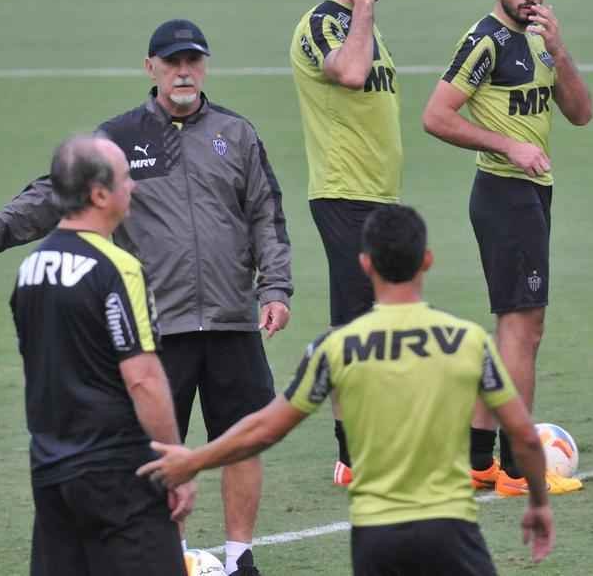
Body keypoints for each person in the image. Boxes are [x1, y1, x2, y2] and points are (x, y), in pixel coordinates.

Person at [0, 20, 292, 576]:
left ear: (205, 67)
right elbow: (52, 193)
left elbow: (266, 217)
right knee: (157, 451)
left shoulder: (237, 134)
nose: (184, 71)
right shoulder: (119, 139)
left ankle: (240, 556)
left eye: (193, 61)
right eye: (172, 61)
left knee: (240, 440)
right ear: (150, 67)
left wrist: (274, 288)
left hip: (231, 317)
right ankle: (167, 556)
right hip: (158, 325)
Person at [137, 205, 555, 575]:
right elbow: (523, 436)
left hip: (376, 540)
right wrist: (537, 502)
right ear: (426, 261)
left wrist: (194, 460)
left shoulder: (336, 349)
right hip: (451, 532)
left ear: (365, 264)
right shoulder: (468, 342)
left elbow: (265, 429)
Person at [422, 0, 592, 497]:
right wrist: (507, 145)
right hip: (504, 192)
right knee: (525, 329)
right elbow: (436, 116)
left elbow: (581, 113)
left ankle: (476, 462)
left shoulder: (542, 39)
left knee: (513, 332)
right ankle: (519, 471)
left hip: (533, 194)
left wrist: (561, 51)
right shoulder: (485, 42)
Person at [12, 134, 195, 576]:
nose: (133, 187)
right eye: (126, 179)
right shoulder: (117, 267)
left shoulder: (30, 269)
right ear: (98, 194)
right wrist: (176, 464)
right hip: (118, 474)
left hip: (52, 470)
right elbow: (143, 379)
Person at [290, 0, 402, 487]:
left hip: (379, 195)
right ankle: (354, 457)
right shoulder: (323, 24)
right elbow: (351, 75)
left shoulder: (368, 28)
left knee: (379, 328)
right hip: (342, 194)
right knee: (356, 331)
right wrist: (361, 7)